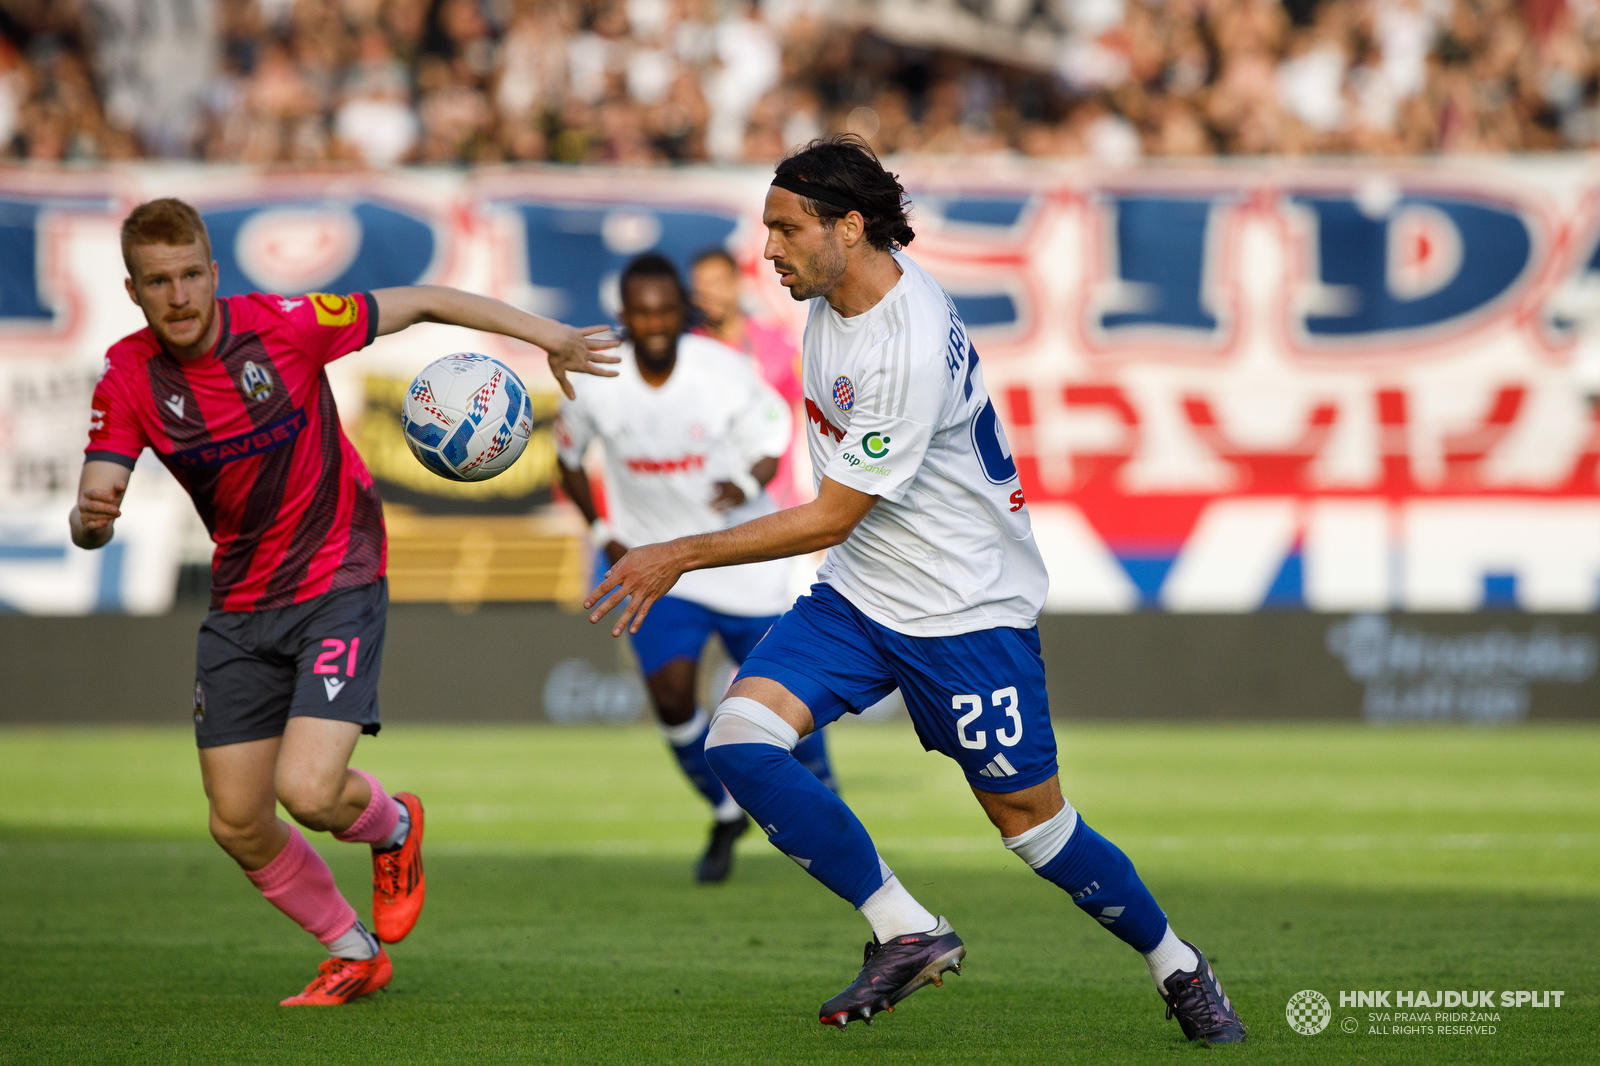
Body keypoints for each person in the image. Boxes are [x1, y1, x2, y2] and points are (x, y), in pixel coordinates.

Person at [582, 138, 1248, 1043]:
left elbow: (829, 516)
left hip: (965, 608)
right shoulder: (837, 294)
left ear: (848, 229)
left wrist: (676, 552)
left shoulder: (907, 343)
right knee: (740, 739)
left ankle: (1179, 966)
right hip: (862, 597)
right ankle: (906, 927)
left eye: (784, 229)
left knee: (1034, 831)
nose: (767, 249)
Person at [71, 198, 618, 1006]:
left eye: (191, 275)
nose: (179, 295)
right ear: (133, 290)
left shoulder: (287, 325)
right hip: (239, 604)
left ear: (215, 273)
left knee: (312, 792)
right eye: (159, 282)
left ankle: (395, 827)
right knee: (237, 823)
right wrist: (91, 521)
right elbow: (96, 502)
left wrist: (554, 339)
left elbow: (428, 299)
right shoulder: (128, 377)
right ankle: (351, 951)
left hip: (338, 573)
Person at [556, 253, 837, 884]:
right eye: (640, 311)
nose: (653, 322)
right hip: (659, 569)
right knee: (672, 697)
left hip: (741, 563)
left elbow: (772, 435)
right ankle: (723, 808)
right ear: (624, 315)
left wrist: (745, 481)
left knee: (793, 698)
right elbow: (569, 460)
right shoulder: (598, 380)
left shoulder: (724, 370)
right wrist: (604, 531)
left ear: (680, 312)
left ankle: (828, 815)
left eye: (664, 309)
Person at [689, 248, 804, 507]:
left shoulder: (778, 343)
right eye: (700, 287)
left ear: (737, 282)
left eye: (717, 283)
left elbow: (810, 416)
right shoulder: (689, 353)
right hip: (713, 503)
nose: (709, 294)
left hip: (778, 503)